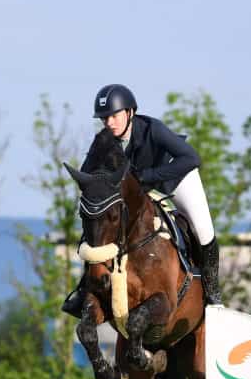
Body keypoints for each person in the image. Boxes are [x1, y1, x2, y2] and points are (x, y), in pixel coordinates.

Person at [62, 84, 222, 318]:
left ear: (130, 112)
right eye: (104, 118)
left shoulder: (152, 129)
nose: (109, 123)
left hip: (175, 178)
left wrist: (150, 177)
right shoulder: (103, 142)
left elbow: (191, 157)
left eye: (114, 116)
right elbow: (89, 177)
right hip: (140, 192)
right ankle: (85, 289)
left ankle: (212, 294)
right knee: (98, 227)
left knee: (203, 230)